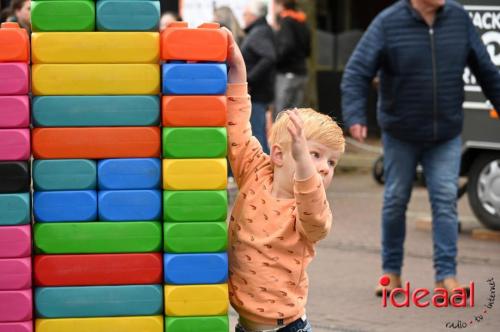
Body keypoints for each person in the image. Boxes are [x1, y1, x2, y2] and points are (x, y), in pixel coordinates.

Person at [341, 0, 500, 296]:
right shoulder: (388, 22)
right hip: (401, 132)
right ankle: (391, 274)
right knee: (395, 200)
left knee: (445, 201)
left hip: (445, 134)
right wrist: (355, 117)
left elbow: (487, 71)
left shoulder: (458, 19)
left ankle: (446, 276)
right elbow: (356, 71)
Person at [224, 27, 345, 332]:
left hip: (287, 327)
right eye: (313, 154)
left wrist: (303, 161)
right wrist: (238, 71)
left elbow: (314, 215)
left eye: (331, 162)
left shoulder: (309, 209)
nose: (324, 167)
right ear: (278, 155)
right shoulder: (255, 171)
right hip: (245, 325)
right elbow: (237, 129)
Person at [240, 0, 276, 154]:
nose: (243, 17)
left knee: (257, 135)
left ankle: (264, 173)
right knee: (258, 132)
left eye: (245, 14)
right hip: (259, 93)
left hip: (256, 94)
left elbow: (269, 57)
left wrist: (249, 78)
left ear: (254, 16)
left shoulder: (258, 32)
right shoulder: (262, 30)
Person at [273, 0, 311, 118]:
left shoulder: (286, 21)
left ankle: (280, 137)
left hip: (287, 74)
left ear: (281, 5)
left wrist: (276, 60)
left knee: (281, 114)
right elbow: (308, 50)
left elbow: (286, 46)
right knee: (295, 114)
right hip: (302, 73)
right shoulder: (302, 22)